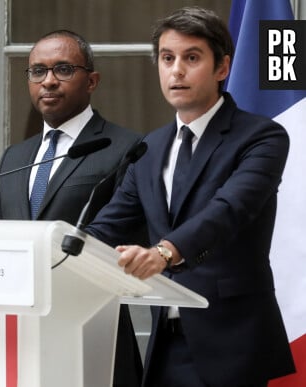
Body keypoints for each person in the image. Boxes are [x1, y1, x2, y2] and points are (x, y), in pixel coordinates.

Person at [85, 7, 296, 387]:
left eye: (191, 58)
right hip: (165, 346)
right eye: (167, 59)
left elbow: (229, 210)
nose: (176, 70)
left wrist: (163, 253)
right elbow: (109, 225)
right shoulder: (149, 147)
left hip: (234, 346)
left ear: (222, 68)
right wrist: (61, 252)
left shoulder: (262, 137)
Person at [0, 30, 144, 387]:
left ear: (92, 81)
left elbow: (129, 236)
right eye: (37, 71)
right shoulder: (16, 157)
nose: (49, 81)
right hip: (18, 339)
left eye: (63, 69)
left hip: (91, 331)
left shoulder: (125, 147)